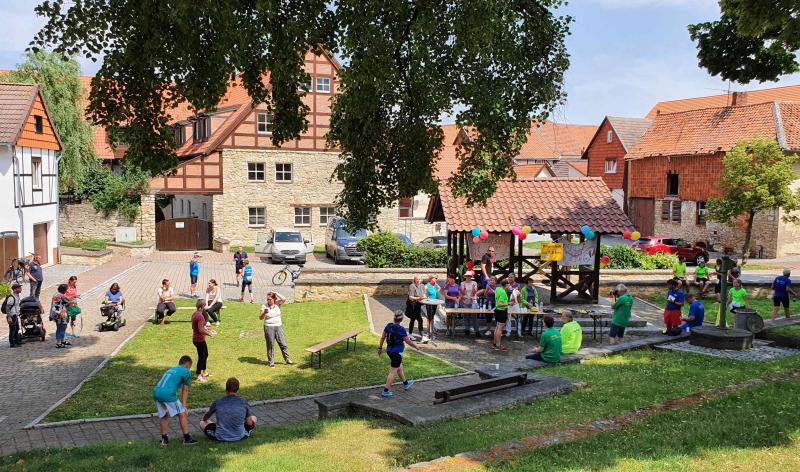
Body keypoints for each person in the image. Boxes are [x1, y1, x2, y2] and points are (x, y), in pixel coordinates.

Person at [153, 355, 197, 446]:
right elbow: (185, 390)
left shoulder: (171, 369)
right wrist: (184, 406)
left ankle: (164, 440)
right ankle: (187, 438)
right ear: (188, 365)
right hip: (167, 394)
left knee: (163, 415)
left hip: (156, 392)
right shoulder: (186, 372)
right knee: (182, 413)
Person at [200, 377, 257, 442]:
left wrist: (205, 418)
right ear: (237, 389)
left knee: (202, 423)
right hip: (240, 436)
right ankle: (244, 432)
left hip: (221, 437)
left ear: (226, 388)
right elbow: (249, 423)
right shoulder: (243, 402)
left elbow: (206, 417)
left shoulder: (218, 402)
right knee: (254, 418)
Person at [377, 310, 419, 398]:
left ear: (394, 317)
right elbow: (408, 341)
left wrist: (380, 348)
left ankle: (406, 383)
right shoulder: (401, 329)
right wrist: (416, 346)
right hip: (396, 353)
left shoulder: (389, 326)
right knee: (393, 371)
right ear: (401, 319)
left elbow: (383, 337)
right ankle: (386, 391)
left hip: (389, 351)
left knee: (399, 367)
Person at [259, 291, 293, 367]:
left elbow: (284, 299)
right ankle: (271, 362)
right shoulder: (264, 306)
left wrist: (276, 293)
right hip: (268, 327)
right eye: (267, 299)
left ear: (274, 299)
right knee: (270, 345)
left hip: (278, 326)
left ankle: (287, 359)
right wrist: (264, 313)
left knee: (283, 343)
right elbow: (260, 318)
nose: (268, 301)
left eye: (270, 299)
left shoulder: (278, 303)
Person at [191, 300, 214, 382]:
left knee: (205, 354)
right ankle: (198, 375)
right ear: (201, 307)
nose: (206, 307)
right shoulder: (200, 316)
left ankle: (204, 371)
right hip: (199, 340)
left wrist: (207, 329)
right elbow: (200, 330)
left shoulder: (195, 314)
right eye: (205, 306)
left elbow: (196, 327)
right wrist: (210, 334)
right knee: (201, 357)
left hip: (198, 339)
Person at [459, 271, 480, 336]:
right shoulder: (462, 283)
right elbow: (462, 293)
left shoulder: (474, 283)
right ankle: (467, 330)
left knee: (474, 316)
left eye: (469, 276)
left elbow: (474, 293)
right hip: (465, 300)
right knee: (466, 316)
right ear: (465, 276)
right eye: (467, 276)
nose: (468, 277)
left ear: (471, 277)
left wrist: (470, 298)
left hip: (473, 300)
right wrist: (465, 288)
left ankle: (477, 331)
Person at [492, 279, 509, 351]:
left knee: (497, 327)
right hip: (502, 311)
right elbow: (500, 303)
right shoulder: (503, 292)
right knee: (500, 329)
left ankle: (495, 343)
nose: (509, 286)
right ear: (506, 285)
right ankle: (498, 345)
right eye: (508, 284)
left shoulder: (497, 289)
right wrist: (509, 303)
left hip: (497, 311)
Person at [50, 284, 70, 348]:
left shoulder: (56, 294)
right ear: (63, 290)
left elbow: (53, 306)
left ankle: (62, 341)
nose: (67, 291)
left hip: (57, 315)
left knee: (61, 328)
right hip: (61, 315)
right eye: (66, 290)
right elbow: (68, 303)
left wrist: (51, 315)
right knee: (61, 328)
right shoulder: (61, 296)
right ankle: (58, 343)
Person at [422, 275, 441, 340]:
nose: (436, 279)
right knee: (429, 317)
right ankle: (428, 331)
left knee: (432, 316)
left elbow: (439, 288)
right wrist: (426, 297)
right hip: (429, 303)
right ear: (431, 279)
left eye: (436, 278)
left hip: (435, 302)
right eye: (435, 278)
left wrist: (437, 291)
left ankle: (432, 330)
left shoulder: (435, 285)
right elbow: (424, 293)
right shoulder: (427, 285)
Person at [4, 282, 23, 348]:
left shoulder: (17, 296)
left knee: (16, 328)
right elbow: (7, 307)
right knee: (12, 330)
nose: (20, 289)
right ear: (14, 290)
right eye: (19, 288)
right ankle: (12, 343)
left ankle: (17, 341)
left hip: (15, 315)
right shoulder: (11, 298)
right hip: (12, 316)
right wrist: (9, 317)